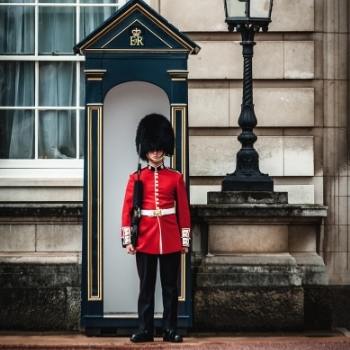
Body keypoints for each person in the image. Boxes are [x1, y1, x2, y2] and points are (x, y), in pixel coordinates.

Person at [120, 114, 191, 343]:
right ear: (145, 149)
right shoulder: (136, 178)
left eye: (160, 148)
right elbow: (127, 211)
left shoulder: (176, 178)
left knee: (170, 288)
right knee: (146, 288)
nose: (157, 153)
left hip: (170, 237)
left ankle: (170, 329)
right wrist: (128, 240)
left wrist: (185, 240)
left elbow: (183, 212)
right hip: (145, 238)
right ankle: (145, 329)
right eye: (152, 148)